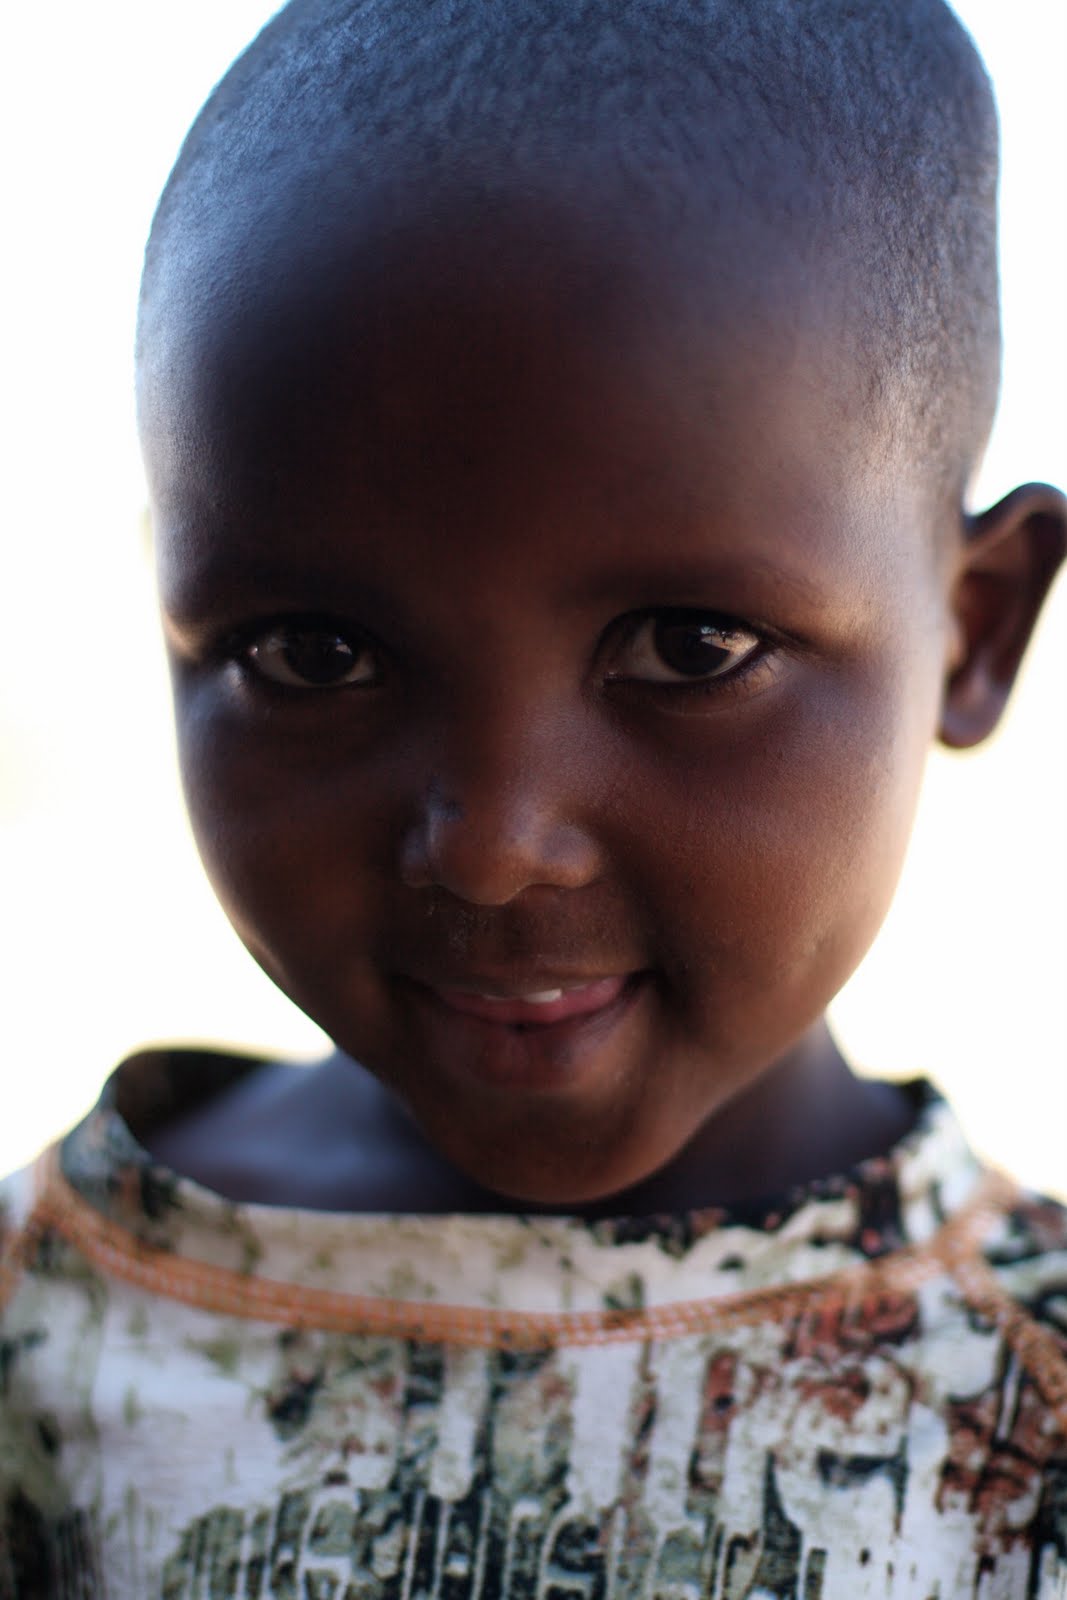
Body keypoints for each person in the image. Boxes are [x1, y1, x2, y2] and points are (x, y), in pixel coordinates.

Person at [2, 0, 1066, 1592]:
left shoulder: (1031, 1416)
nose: (492, 843)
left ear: (973, 630)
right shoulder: (39, 1351)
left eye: (690, 648)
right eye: (313, 652)